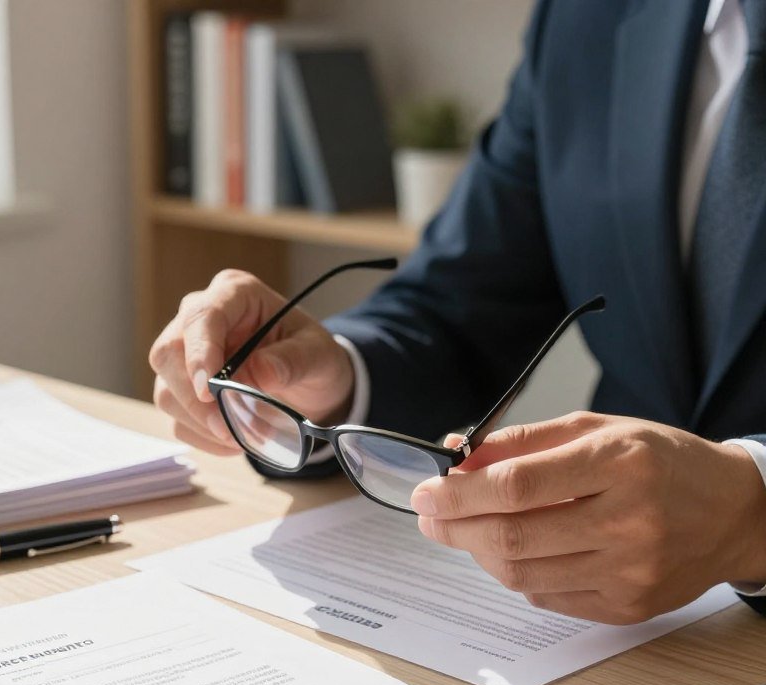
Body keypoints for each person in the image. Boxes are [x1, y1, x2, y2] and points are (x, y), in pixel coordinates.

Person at [148, 0, 766, 625]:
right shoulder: (589, 16)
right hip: (618, 645)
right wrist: (333, 378)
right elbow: (460, 305)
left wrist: (752, 514)